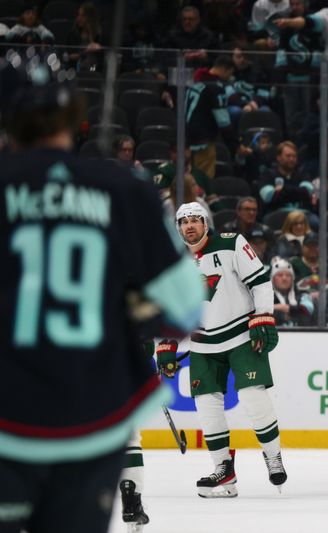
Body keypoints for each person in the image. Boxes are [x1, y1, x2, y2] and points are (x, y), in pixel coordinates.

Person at [0, 49, 204, 533]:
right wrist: (134, 306)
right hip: (94, 418)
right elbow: (184, 309)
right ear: (75, 116)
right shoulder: (125, 189)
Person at [159, 202, 286, 498]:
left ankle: (273, 455)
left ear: (206, 223)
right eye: (183, 222)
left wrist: (263, 317)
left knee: (254, 398)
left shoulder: (232, 243)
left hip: (242, 333)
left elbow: (260, 281)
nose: (188, 226)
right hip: (202, 342)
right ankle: (223, 472)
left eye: (194, 220)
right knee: (206, 405)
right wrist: (166, 343)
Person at [187, 55, 237, 179]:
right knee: (202, 180)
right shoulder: (215, 88)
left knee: (186, 179)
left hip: (185, 139)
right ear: (225, 69)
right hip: (202, 141)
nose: (229, 78)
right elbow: (223, 121)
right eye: (230, 73)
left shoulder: (195, 81)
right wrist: (234, 144)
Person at [253, 141, 314, 215]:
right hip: (276, 214)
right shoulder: (268, 174)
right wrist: (297, 191)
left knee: (315, 222)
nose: (291, 159)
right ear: (278, 158)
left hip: (300, 214)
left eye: (294, 156)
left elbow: (308, 192)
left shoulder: (302, 173)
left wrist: (282, 189)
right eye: (288, 156)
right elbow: (268, 197)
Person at [271, 257, 315, 326]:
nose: (284, 278)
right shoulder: (266, 298)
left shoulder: (303, 295)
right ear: (272, 279)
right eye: (280, 275)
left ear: (292, 279)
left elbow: (308, 310)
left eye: (288, 275)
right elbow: (260, 313)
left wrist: (282, 307)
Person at [66, 3, 104, 71]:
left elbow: (101, 56)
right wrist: (86, 52)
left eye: (82, 16)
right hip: (75, 69)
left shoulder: (100, 34)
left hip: (95, 70)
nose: (78, 19)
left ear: (90, 18)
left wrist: (90, 32)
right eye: (78, 15)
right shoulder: (73, 34)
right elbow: (70, 56)